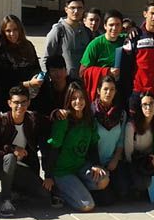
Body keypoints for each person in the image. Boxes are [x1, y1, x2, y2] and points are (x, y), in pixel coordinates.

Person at [0, 85, 51, 217]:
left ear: (28, 102)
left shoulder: (33, 119)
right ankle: (5, 200)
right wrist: (12, 149)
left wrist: (49, 175)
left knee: (44, 195)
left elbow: (48, 138)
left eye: (23, 102)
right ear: (9, 103)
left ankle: (17, 191)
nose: (20, 106)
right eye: (16, 102)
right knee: (10, 158)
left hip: (23, 166)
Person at [44, 82, 109, 212]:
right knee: (87, 205)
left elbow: (93, 145)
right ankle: (59, 191)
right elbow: (53, 149)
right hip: (62, 171)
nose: (78, 101)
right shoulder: (63, 120)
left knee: (103, 179)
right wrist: (48, 175)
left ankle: (77, 187)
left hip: (80, 166)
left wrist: (96, 165)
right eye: (74, 98)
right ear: (68, 100)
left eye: (81, 98)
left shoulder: (90, 120)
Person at [119, 0, 154, 116]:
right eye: (152, 13)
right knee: (138, 129)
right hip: (139, 92)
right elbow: (126, 66)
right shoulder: (134, 36)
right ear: (145, 14)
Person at [91, 75, 129, 200]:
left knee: (123, 191)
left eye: (112, 89)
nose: (108, 93)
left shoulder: (121, 114)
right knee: (106, 199)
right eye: (105, 89)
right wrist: (96, 163)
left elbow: (121, 140)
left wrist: (116, 159)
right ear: (98, 90)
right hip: (94, 162)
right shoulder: (91, 112)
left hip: (111, 161)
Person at [0, 14, 43, 103]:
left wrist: (39, 78)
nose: (12, 34)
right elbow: (5, 81)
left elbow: (36, 67)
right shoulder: (0, 50)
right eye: (8, 31)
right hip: (12, 100)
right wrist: (29, 84)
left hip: (32, 97)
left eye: (15, 30)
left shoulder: (28, 46)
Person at [79, 9, 125, 101]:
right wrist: (106, 71)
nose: (114, 28)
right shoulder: (95, 44)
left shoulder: (125, 40)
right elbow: (82, 72)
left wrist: (133, 29)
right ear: (105, 26)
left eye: (117, 25)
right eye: (111, 25)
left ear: (121, 27)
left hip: (121, 90)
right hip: (101, 92)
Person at [44, 0, 94, 77]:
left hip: (83, 82)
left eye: (79, 8)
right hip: (63, 82)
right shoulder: (58, 30)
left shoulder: (87, 32)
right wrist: (48, 78)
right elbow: (46, 58)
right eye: (72, 8)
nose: (76, 11)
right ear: (66, 9)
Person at [31, 54, 71, 119]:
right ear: (48, 74)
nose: (58, 73)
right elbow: (40, 109)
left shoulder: (74, 86)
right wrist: (54, 112)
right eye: (53, 70)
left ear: (66, 70)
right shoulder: (44, 89)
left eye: (60, 69)